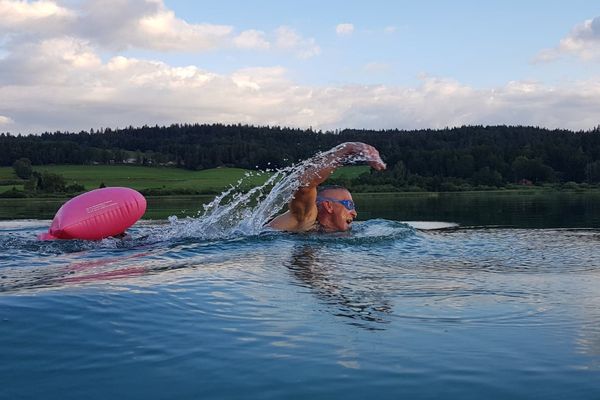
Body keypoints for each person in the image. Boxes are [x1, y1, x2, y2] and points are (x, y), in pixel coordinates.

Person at [267, 142, 386, 233]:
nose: (354, 213)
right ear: (328, 206)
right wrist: (348, 149)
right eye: (349, 205)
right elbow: (305, 184)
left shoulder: (322, 230)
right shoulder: (304, 217)